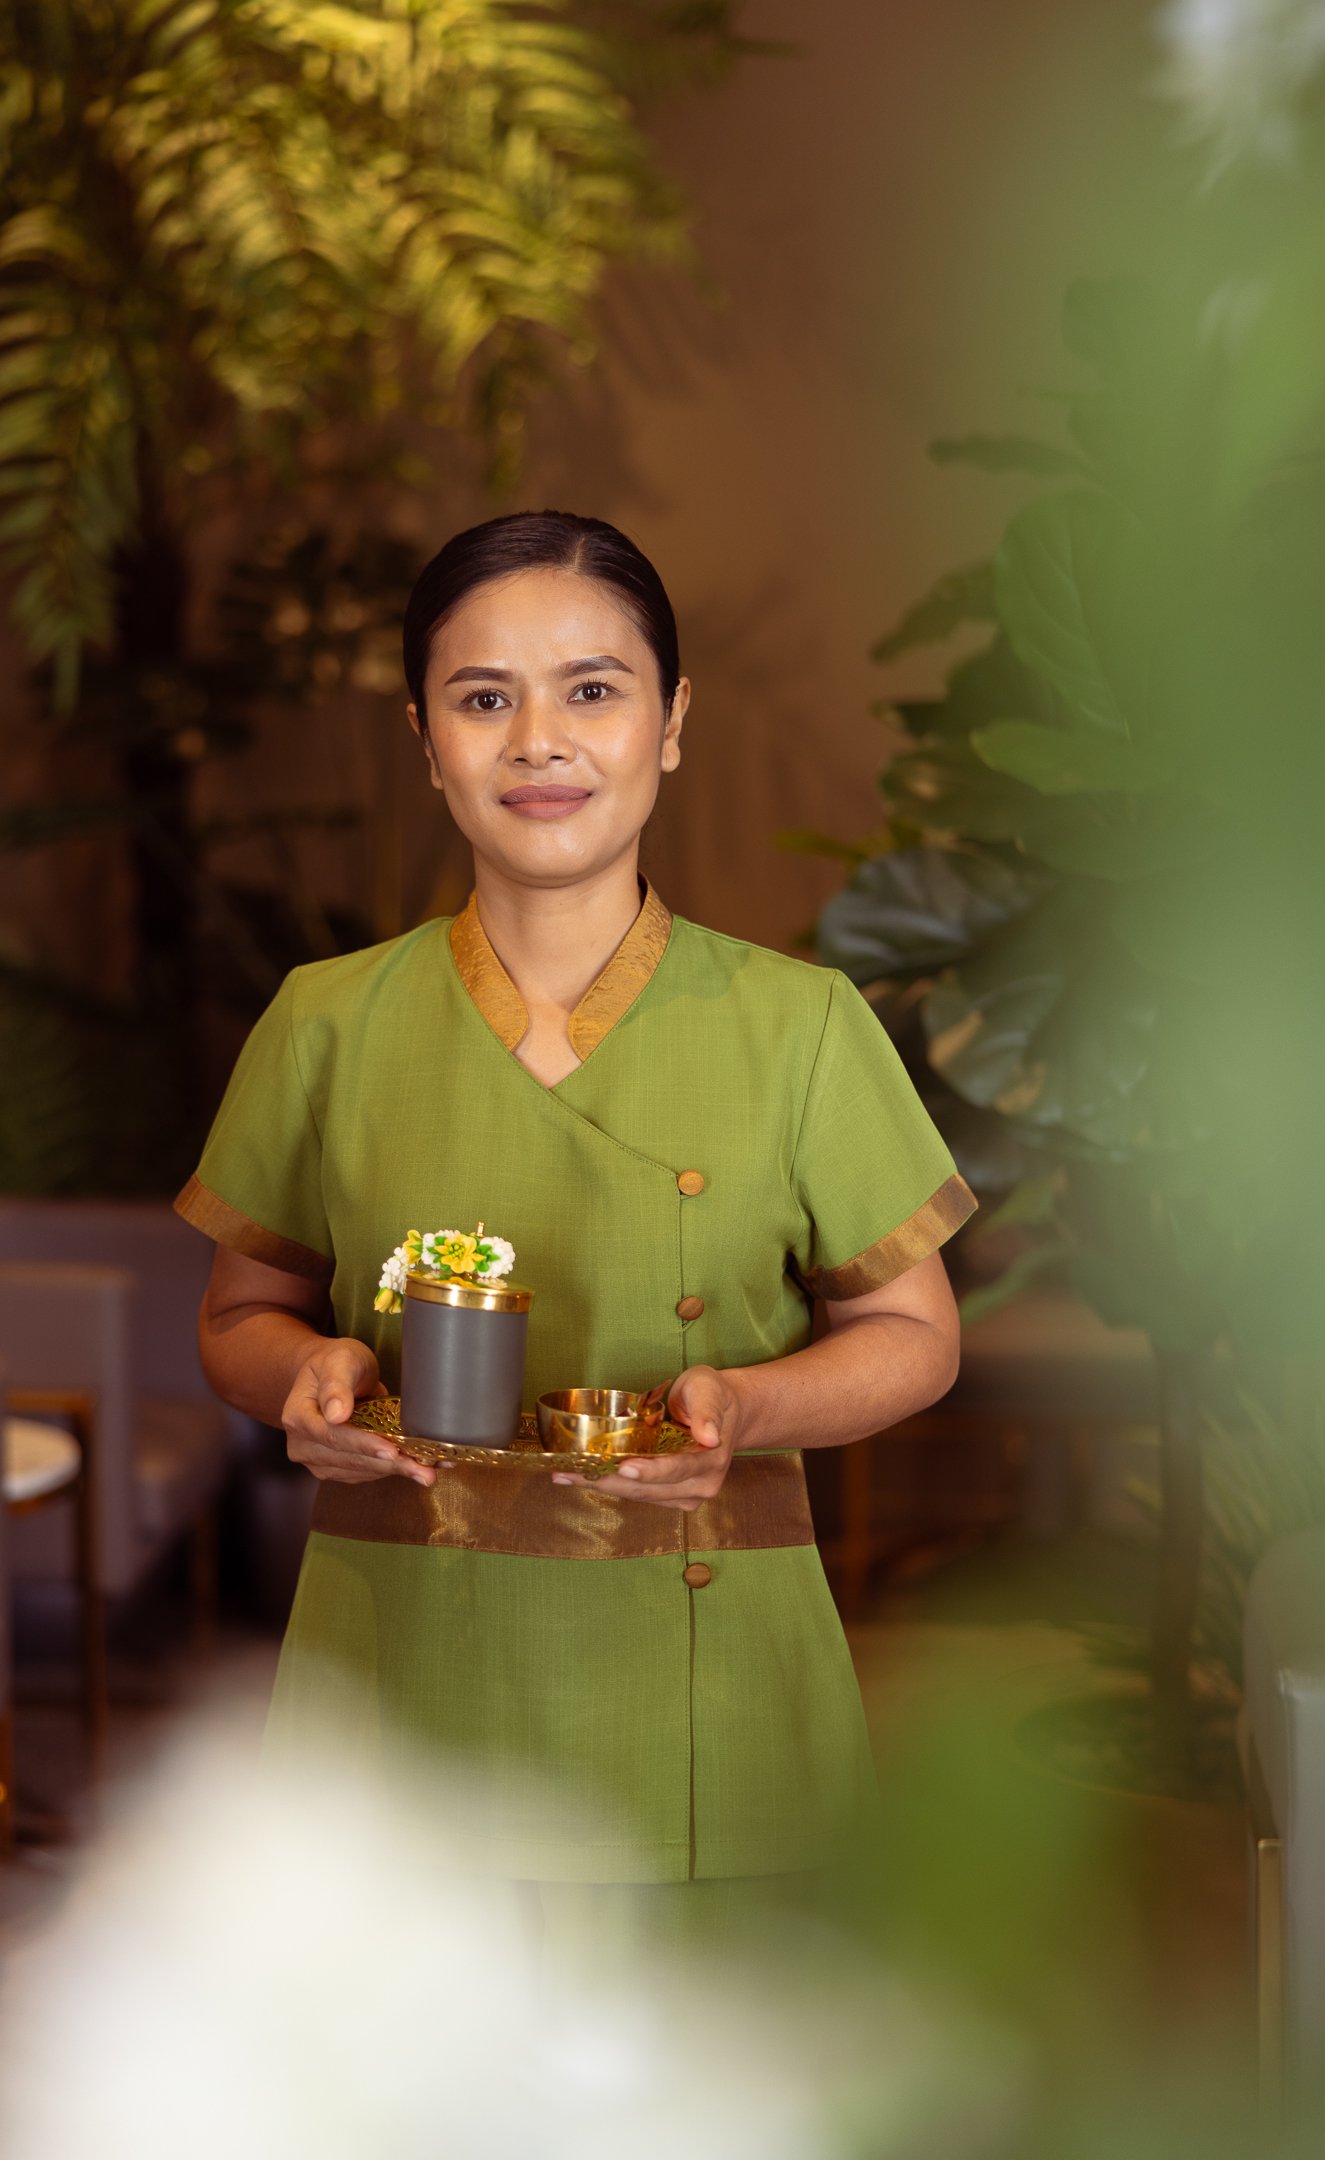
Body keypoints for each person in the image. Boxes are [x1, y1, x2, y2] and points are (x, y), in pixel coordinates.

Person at [181, 510, 975, 1933]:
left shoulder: (802, 1027)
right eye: (483, 699)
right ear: (426, 740)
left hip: (707, 1682)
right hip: (401, 1687)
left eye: (593, 691)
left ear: (671, 722)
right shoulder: (326, 1020)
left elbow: (914, 1336)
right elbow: (238, 1316)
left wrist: (743, 1401)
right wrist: (302, 1378)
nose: (538, 740)